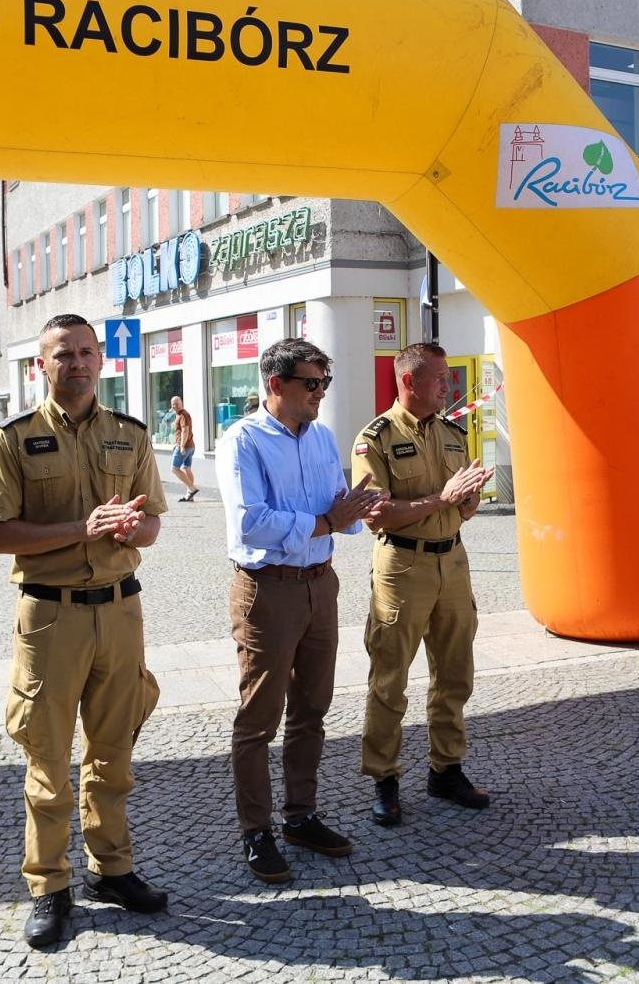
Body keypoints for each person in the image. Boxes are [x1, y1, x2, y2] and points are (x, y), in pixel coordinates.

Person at [0, 314, 168, 949]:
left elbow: (151, 527)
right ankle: (49, 885)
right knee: (50, 756)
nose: (78, 363)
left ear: (101, 360)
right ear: (42, 365)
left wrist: (127, 530)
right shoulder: (14, 439)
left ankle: (112, 869)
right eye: (64, 354)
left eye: (87, 352)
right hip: (50, 616)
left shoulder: (130, 435)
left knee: (113, 755)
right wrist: (80, 529)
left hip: (120, 612)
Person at [217, 338, 387, 884]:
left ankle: (301, 815)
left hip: (321, 583)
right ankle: (255, 830)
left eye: (324, 384)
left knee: (313, 708)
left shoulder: (321, 437)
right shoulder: (242, 439)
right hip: (268, 589)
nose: (320, 394)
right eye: (311, 383)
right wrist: (327, 521)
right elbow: (251, 522)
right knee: (259, 717)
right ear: (276, 385)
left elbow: (338, 505)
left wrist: (359, 509)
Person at [351, 343, 495, 827]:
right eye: (438, 378)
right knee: (390, 678)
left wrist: (467, 500)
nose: (448, 386)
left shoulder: (454, 433)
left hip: (452, 561)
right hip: (402, 566)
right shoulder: (376, 438)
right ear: (409, 381)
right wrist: (443, 498)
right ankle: (384, 779)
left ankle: (446, 769)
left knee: (455, 672)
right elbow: (376, 513)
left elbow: (462, 508)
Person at [170, 396, 199, 501]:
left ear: (181, 403)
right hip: (189, 446)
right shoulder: (180, 414)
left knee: (174, 468)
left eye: (177, 403)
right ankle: (190, 495)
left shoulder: (183, 415)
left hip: (185, 447)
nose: (174, 406)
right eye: (173, 404)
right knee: (187, 468)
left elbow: (185, 431)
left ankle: (192, 488)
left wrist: (181, 446)